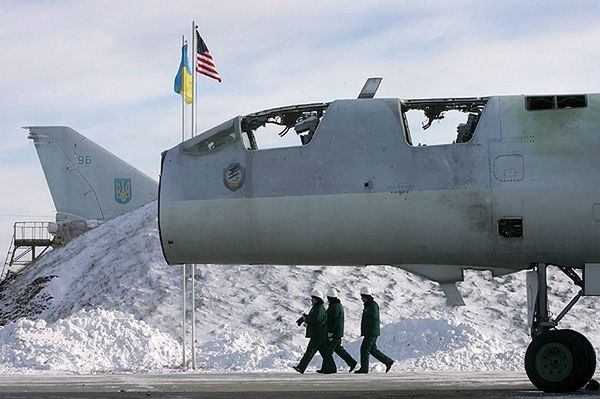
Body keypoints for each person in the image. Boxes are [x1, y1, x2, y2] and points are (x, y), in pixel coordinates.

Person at [293, 289, 337, 374]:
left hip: (318, 334)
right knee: (325, 353)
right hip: (319, 334)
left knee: (310, 351)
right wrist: (303, 318)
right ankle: (332, 367)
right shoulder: (316, 307)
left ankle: (301, 367)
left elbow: (317, 319)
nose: (311, 300)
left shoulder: (320, 308)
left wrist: (307, 319)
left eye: (312, 298)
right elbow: (313, 317)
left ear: (317, 299)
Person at [354, 286, 394, 374]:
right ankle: (388, 361)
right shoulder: (369, 305)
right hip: (370, 331)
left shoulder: (372, 305)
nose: (361, 299)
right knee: (372, 350)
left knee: (364, 349)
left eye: (362, 297)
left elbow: (373, 318)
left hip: (371, 332)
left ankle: (364, 368)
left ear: (366, 296)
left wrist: (368, 328)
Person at [321, 288, 357, 373]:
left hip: (334, 333)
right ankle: (352, 362)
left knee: (327, 351)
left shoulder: (334, 307)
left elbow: (333, 321)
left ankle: (331, 368)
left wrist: (330, 333)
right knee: (338, 349)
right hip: (337, 333)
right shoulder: (337, 306)